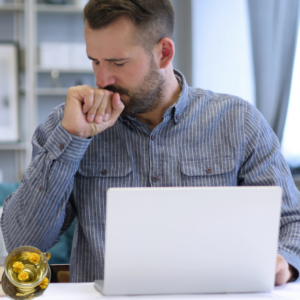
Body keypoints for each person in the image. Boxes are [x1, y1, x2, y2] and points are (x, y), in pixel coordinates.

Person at [1, 0, 300, 285]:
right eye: (95, 61)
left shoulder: (238, 122)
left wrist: (283, 262)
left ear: (165, 53)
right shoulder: (66, 126)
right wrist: (72, 138)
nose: (102, 79)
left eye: (118, 62)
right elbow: (23, 242)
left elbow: (291, 222)